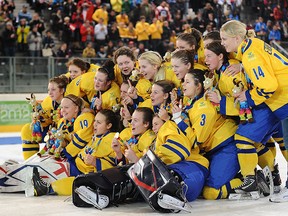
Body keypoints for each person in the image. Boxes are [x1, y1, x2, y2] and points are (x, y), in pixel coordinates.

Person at [220, 20, 288, 198]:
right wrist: (242, 67)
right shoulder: (253, 44)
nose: (222, 43)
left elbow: (268, 86)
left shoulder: (250, 55)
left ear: (236, 38)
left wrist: (247, 98)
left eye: (224, 38)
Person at [171, 69, 243, 200]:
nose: (183, 85)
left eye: (188, 82)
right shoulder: (191, 102)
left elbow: (197, 140)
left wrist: (178, 120)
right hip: (212, 151)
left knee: (211, 192)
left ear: (199, 86)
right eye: (183, 82)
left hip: (226, 148)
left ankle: (249, 180)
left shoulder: (204, 107)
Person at [31, 109, 120, 196]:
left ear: (109, 126)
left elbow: (115, 166)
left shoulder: (112, 139)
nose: (94, 124)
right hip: (74, 165)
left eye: (99, 123)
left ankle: (45, 188)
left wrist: (95, 163)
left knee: (77, 182)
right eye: (95, 121)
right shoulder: (96, 136)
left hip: (84, 174)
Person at [21, 75, 69, 160]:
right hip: (53, 131)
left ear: (62, 90)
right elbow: (46, 119)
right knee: (27, 130)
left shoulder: (70, 101)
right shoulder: (48, 101)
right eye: (49, 90)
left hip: (65, 134)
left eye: (53, 90)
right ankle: (30, 162)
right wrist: (40, 119)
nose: (50, 93)